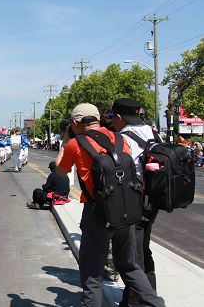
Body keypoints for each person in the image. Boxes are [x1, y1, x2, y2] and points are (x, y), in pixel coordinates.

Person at [55, 103, 164, 307]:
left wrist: (66, 139)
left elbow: (60, 172)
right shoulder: (121, 138)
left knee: (92, 276)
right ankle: (157, 304)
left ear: (76, 123)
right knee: (130, 268)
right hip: (126, 211)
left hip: (97, 213)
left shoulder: (75, 143)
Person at [111, 99, 162, 307]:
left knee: (132, 255)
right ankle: (146, 294)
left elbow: (119, 170)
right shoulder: (153, 132)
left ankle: (138, 302)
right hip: (154, 198)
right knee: (144, 248)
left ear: (119, 117)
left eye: (113, 117)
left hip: (136, 200)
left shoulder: (124, 138)